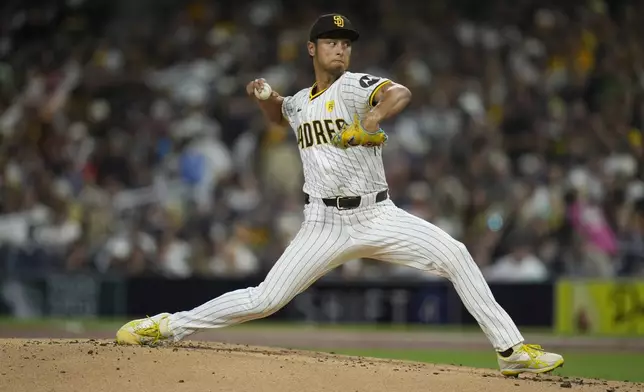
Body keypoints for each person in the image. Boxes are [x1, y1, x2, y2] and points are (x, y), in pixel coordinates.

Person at [115, 13, 564, 377]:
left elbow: (399, 93)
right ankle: (167, 327)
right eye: (331, 41)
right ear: (312, 49)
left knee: (456, 253)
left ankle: (512, 350)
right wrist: (264, 95)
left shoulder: (352, 85)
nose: (340, 48)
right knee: (265, 299)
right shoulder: (301, 102)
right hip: (323, 224)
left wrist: (369, 122)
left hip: (378, 214)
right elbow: (280, 115)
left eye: (345, 42)